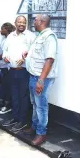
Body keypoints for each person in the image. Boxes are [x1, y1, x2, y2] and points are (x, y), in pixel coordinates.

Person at [25, 14, 58, 146]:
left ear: (42, 21)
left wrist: (41, 80)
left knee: (41, 107)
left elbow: (49, 59)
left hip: (41, 79)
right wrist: (28, 55)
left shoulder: (49, 37)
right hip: (33, 76)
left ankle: (41, 133)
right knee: (35, 104)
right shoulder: (40, 35)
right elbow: (40, 54)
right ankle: (34, 127)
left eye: (36, 20)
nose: (34, 22)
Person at [2, 15, 36, 132]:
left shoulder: (31, 36)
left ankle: (22, 121)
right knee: (14, 95)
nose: (21, 24)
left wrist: (26, 59)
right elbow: (5, 50)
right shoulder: (11, 36)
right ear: (15, 23)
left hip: (24, 72)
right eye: (19, 22)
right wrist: (5, 57)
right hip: (12, 70)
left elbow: (34, 52)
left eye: (23, 22)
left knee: (23, 96)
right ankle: (15, 118)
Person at [0, 23, 16, 114]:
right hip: (2, 65)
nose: (1, 30)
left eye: (2, 28)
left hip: (7, 67)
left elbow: (5, 53)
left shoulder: (12, 38)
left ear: (7, 29)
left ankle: (7, 105)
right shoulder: (3, 38)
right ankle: (1, 103)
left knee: (6, 86)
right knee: (2, 85)